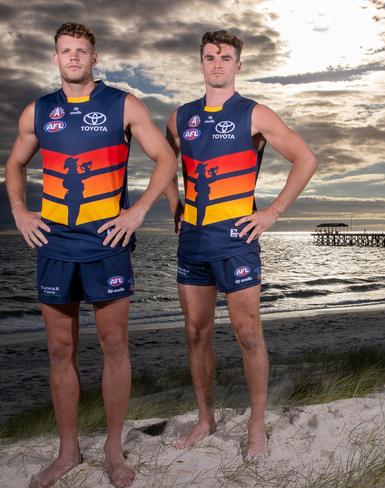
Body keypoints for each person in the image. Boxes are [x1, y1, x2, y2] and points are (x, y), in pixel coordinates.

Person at [5, 23, 177, 488]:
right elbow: (15, 164)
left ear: (94, 57)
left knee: (114, 346)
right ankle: (67, 452)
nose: (74, 57)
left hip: (107, 242)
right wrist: (20, 210)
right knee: (60, 350)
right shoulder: (39, 111)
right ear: (56, 58)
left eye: (82, 51)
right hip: (54, 243)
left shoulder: (122, 104)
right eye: (66, 51)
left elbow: (166, 158)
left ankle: (114, 449)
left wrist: (139, 211)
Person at [165, 30, 318, 457]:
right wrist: (174, 205)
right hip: (193, 240)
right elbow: (166, 163)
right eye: (210, 56)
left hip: (237, 239)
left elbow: (306, 159)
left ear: (238, 65)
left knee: (248, 333)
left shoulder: (255, 114)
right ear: (201, 62)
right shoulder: (180, 117)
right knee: (196, 333)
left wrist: (272, 212)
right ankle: (205, 418)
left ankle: (255, 426)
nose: (217, 63)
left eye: (225, 57)